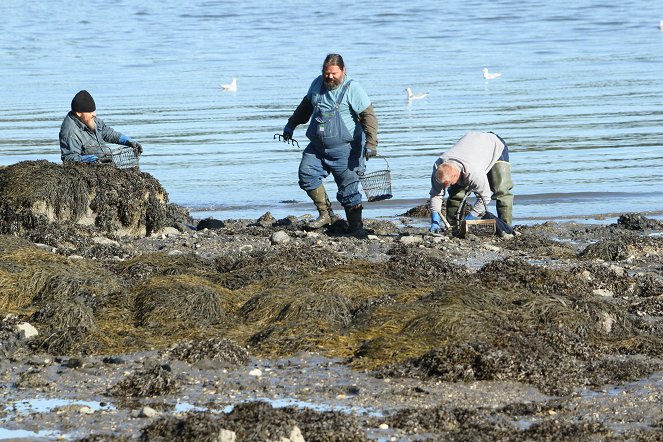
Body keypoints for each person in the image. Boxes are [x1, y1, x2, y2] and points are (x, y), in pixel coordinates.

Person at [282, 54, 378, 235]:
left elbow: (369, 117)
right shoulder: (317, 84)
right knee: (306, 175)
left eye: (334, 73)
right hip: (317, 148)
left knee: (348, 192)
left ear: (343, 71)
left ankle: (356, 228)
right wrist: (290, 125)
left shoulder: (353, 89)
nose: (330, 77)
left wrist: (371, 143)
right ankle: (326, 214)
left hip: (347, 150)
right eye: (327, 73)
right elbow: (305, 107)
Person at [428, 131, 514, 233]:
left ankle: (506, 228)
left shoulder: (473, 171)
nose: (447, 187)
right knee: (456, 194)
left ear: (456, 175)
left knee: (501, 191)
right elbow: (436, 194)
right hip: (471, 148)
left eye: (449, 184)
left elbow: (485, 197)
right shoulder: (438, 167)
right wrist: (435, 221)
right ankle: (453, 227)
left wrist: (469, 218)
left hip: (493, 145)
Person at [59, 90, 143, 164]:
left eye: (93, 111)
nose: (94, 114)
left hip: (105, 165)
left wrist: (128, 141)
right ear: (79, 113)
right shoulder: (70, 132)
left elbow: (107, 133)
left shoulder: (90, 120)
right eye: (90, 112)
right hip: (90, 172)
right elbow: (69, 158)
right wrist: (93, 160)